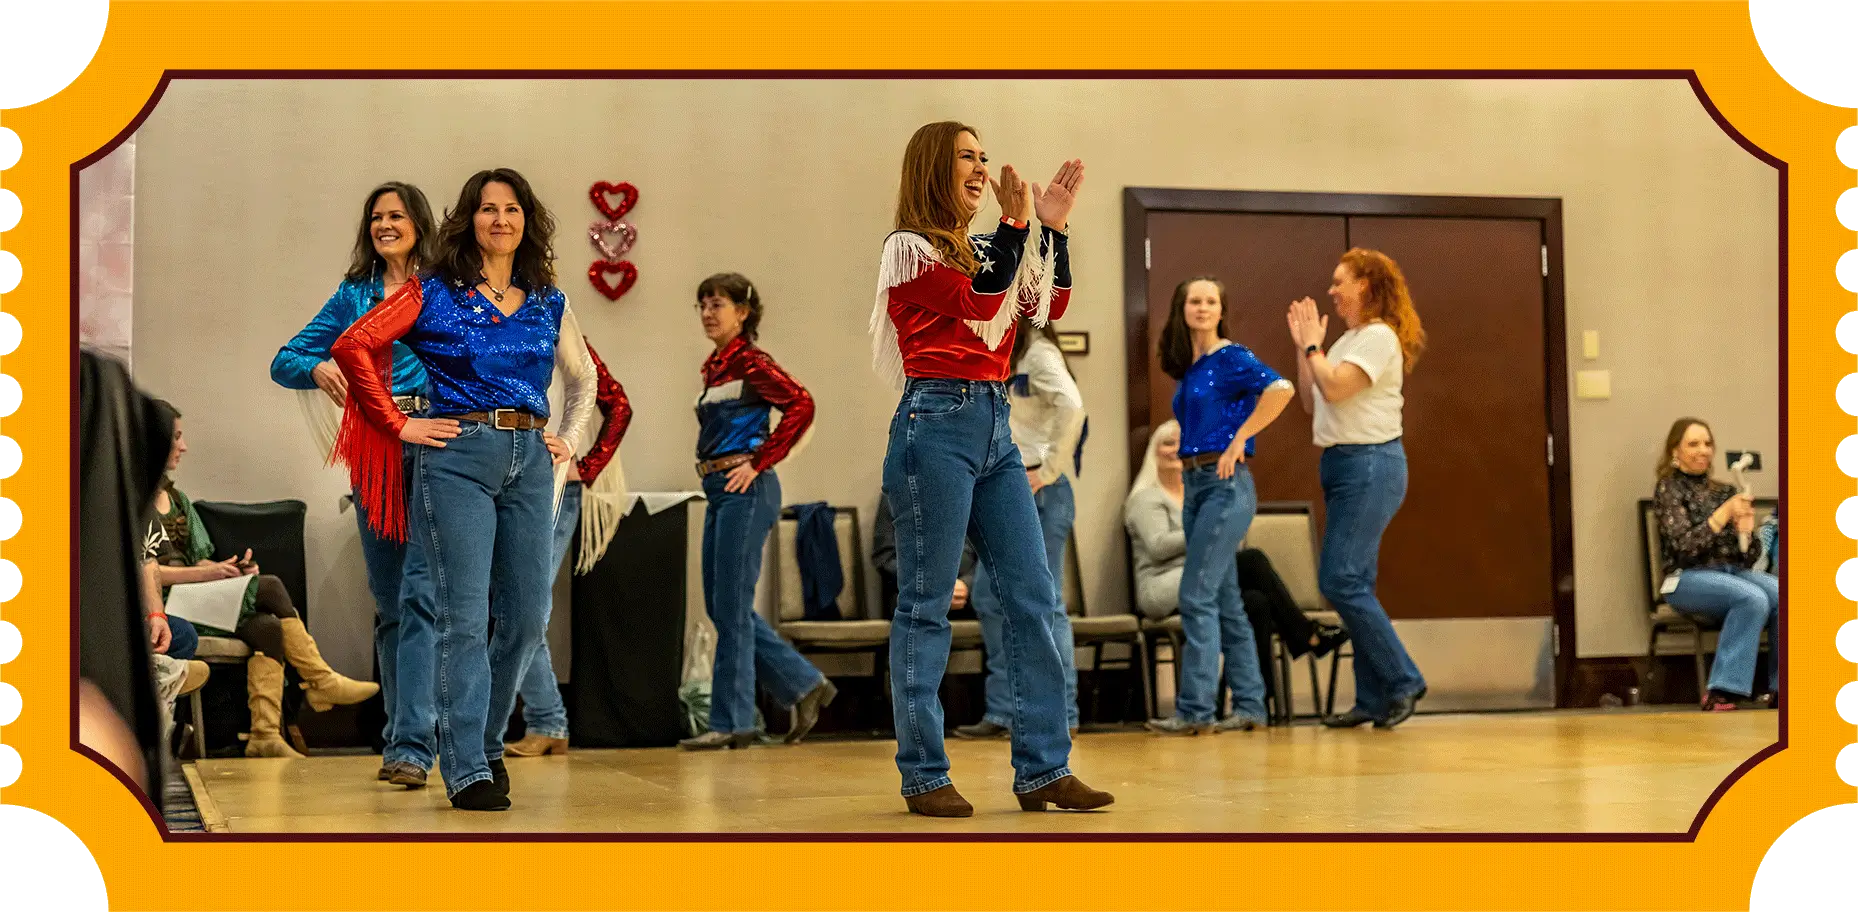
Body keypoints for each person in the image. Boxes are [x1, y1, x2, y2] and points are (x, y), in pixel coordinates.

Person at [332, 168, 598, 810]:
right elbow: (354, 345)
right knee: (461, 614)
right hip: (458, 457)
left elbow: (585, 379)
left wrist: (566, 437)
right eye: (487, 209)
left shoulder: (548, 298)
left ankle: (479, 740)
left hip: (531, 458)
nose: (500, 219)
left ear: (527, 222)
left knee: (529, 614)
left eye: (512, 209)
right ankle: (467, 767)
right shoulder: (433, 291)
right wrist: (398, 423)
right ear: (468, 220)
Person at [868, 120, 1109, 816]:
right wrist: (1014, 223)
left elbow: (1041, 305)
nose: (980, 168)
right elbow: (978, 301)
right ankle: (923, 773)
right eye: (964, 159)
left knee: (1033, 595)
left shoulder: (983, 247)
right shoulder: (908, 250)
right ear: (930, 171)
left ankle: (1044, 769)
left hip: (996, 427)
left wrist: (1053, 230)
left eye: (983, 156)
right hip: (934, 425)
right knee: (927, 603)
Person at [271, 181, 436, 776]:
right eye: (375, 217)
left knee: (426, 596)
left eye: (396, 215)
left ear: (419, 222)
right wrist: (315, 366)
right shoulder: (354, 294)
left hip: (439, 444)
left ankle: (420, 740)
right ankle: (401, 742)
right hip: (375, 452)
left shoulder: (441, 286)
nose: (385, 225)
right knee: (393, 601)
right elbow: (282, 359)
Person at [145, 403, 379, 759]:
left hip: (197, 597)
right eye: (176, 437)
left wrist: (229, 570)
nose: (184, 446)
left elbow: (200, 558)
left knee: (268, 628)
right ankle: (320, 679)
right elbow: (144, 570)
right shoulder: (132, 500)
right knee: (269, 587)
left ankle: (264, 735)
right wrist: (206, 574)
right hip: (164, 604)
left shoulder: (177, 500)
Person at [681, 272, 836, 750]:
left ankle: (732, 723)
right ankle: (805, 685)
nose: (708, 312)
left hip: (746, 488)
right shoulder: (717, 366)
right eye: (703, 304)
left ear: (743, 312)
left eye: (718, 304)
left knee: (729, 606)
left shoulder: (751, 361)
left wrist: (761, 460)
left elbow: (801, 404)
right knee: (724, 605)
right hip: (722, 488)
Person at [1288, 248, 1429, 729]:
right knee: (1356, 581)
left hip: (1370, 464)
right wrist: (1303, 349)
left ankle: (1404, 679)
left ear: (1365, 285)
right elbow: (1313, 401)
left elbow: (1337, 389)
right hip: (1344, 464)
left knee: (1339, 580)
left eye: (1339, 282)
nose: (1331, 291)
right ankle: (1371, 699)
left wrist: (1313, 348)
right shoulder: (1350, 339)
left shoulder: (1378, 337)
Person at [1145, 277, 1293, 735]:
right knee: (1226, 599)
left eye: (1211, 301)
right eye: (1195, 300)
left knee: (1195, 595)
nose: (1203, 307)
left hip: (1226, 485)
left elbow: (1281, 389)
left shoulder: (1231, 357)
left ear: (1221, 309)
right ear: (1182, 308)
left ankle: (1195, 711)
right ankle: (1250, 705)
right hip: (1198, 485)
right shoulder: (1191, 366)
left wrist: (1242, 438)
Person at [955, 316, 1085, 739]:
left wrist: (1048, 470)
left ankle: (1061, 713)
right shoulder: (1002, 357)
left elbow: (1073, 405)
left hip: (1041, 489)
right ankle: (1004, 711)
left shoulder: (1039, 354)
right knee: (990, 598)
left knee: (1043, 601)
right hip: (1005, 486)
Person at [1124, 421, 1347, 664]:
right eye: (1168, 443)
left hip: (1200, 578)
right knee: (1252, 560)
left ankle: (1259, 695)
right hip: (1163, 587)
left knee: (1256, 604)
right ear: (1153, 451)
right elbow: (1158, 547)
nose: (1177, 449)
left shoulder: (1194, 494)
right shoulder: (1146, 498)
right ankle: (1306, 634)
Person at [503, 338, 631, 757]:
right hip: (515, 479)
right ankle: (546, 720)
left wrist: (588, 465)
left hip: (554, 484)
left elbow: (618, 406)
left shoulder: (561, 333)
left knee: (526, 605)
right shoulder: (501, 325)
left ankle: (548, 720)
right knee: (515, 603)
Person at [1652, 418, 1777, 711]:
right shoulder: (1668, 490)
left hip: (1732, 572)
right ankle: (1722, 690)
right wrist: (1723, 514)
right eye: (1693, 444)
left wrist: (1747, 531)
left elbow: (1747, 558)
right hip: (1686, 578)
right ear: (1675, 451)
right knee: (1752, 597)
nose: (1703, 450)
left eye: (1707, 444)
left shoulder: (1723, 491)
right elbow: (1684, 547)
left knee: (1782, 593)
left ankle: (1782, 687)